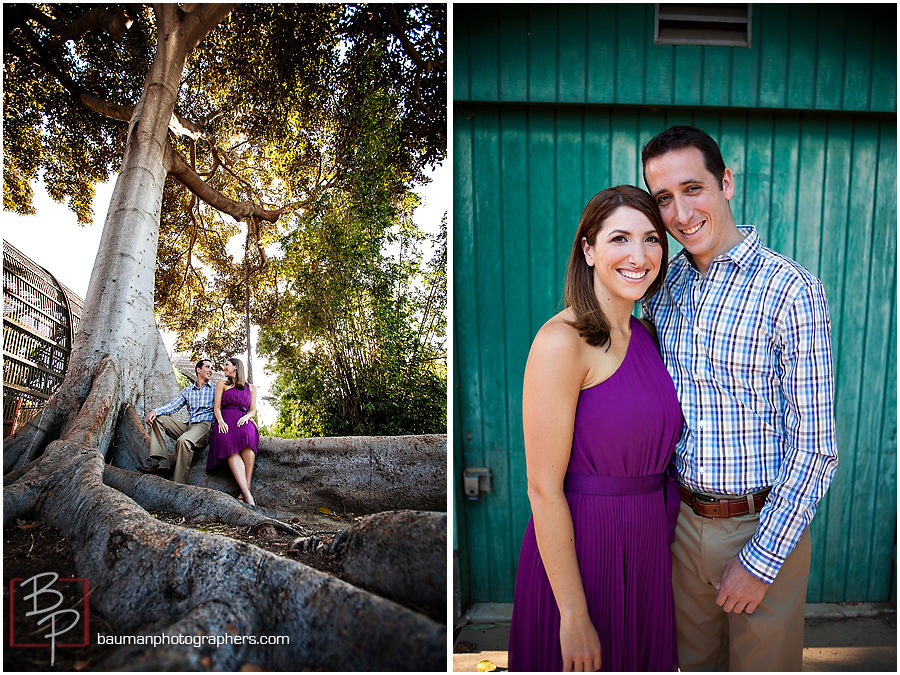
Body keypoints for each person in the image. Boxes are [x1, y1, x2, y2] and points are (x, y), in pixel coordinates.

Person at [640, 125, 838, 671]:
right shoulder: (662, 287)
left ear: (725, 182)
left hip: (762, 524)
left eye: (693, 188)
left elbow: (816, 446)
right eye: (664, 198)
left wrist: (762, 558)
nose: (680, 214)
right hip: (680, 521)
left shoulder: (791, 289)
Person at [508, 185, 683, 672]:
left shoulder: (649, 334)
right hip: (585, 549)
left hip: (647, 548)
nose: (639, 255)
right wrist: (574, 614)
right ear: (588, 249)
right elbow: (543, 490)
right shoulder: (560, 342)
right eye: (620, 239)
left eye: (651, 240)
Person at [140, 359, 215, 484]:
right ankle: (162, 462)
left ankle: (178, 483)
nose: (211, 371)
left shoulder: (215, 389)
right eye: (207, 367)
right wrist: (155, 411)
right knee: (159, 420)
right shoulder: (188, 391)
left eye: (212, 368)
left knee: (184, 441)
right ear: (198, 370)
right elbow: (173, 406)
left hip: (204, 426)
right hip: (189, 426)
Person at [207, 357, 259, 505]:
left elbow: (253, 410)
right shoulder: (221, 384)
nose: (224, 368)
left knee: (249, 443)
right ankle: (248, 496)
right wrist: (221, 421)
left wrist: (247, 417)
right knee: (231, 449)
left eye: (226, 365)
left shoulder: (251, 388)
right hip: (225, 421)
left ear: (236, 367)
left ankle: (245, 490)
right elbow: (216, 407)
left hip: (243, 419)